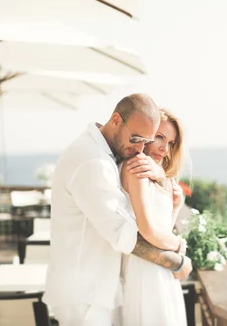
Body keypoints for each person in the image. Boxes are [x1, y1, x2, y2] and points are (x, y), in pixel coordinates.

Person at [44, 94, 193, 326]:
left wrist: (163, 180)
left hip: (98, 289)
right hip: (85, 293)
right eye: (136, 139)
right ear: (115, 120)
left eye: (146, 141)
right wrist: (179, 258)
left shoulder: (104, 153)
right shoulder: (93, 161)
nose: (140, 149)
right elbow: (125, 235)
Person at [120, 108, 188, 325]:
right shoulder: (136, 167)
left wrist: (175, 206)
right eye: (159, 137)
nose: (164, 148)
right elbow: (147, 230)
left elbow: (161, 229)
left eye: (170, 143)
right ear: (146, 133)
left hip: (161, 268)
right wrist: (180, 249)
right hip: (145, 270)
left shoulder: (154, 173)